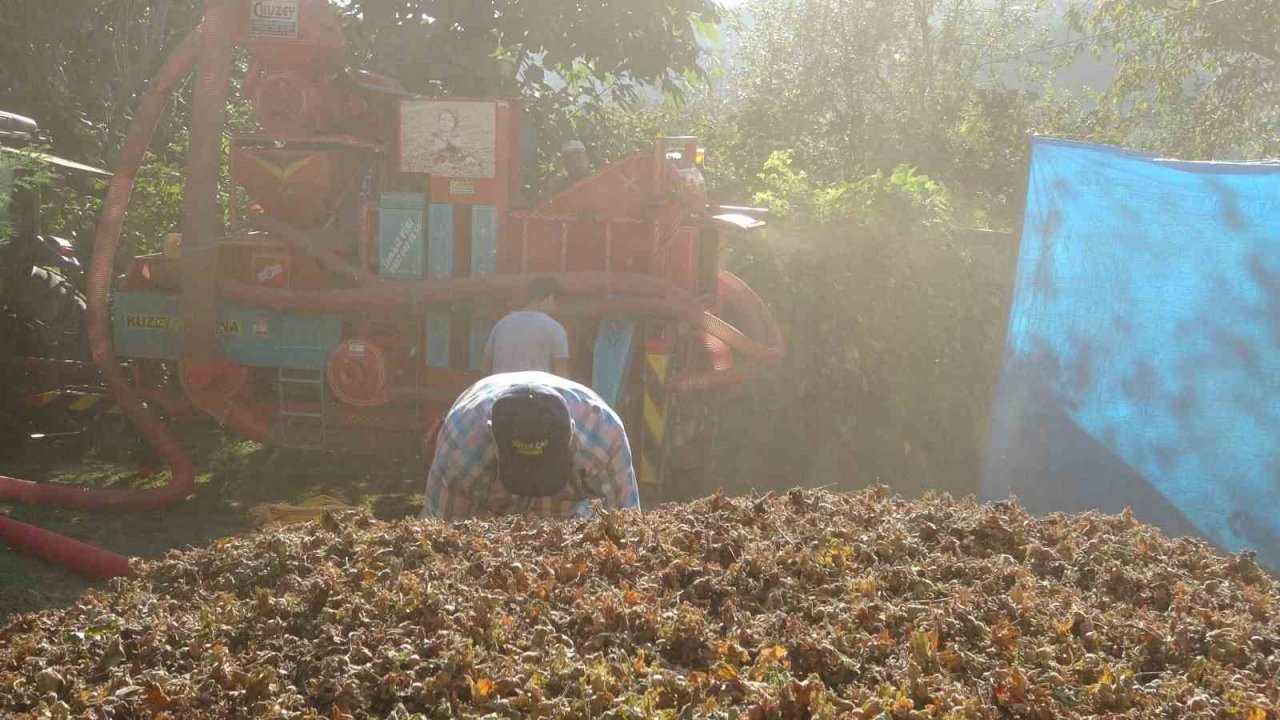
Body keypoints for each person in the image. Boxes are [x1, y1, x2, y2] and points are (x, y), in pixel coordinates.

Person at [421, 371, 640, 519]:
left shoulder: (604, 436)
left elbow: (628, 532)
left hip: (569, 523)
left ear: (572, 436)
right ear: (492, 435)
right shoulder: (462, 442)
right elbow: (440, 533)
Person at [482, 277, 569, 377]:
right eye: (557, 304)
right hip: (533, 390)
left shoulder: (502, 324)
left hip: (502, 391)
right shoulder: (555, 328)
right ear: (551, 297)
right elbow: (561, 372)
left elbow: (485, 367)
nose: (556, 309)